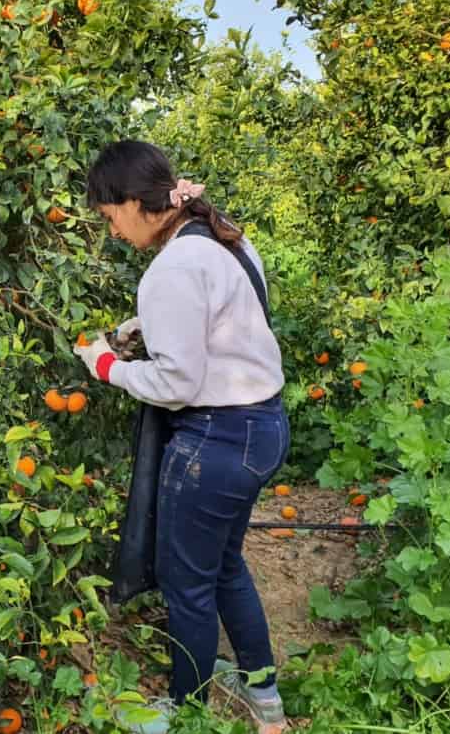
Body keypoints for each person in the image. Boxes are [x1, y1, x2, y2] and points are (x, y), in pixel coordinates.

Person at [73, 140, 289, 734]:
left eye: (108, 216)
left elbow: (175, 381)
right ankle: (263, 695)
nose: (111, 230)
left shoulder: (169, 269)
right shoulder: (221, 236)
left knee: (186, 582)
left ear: (134, 203)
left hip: (214, 440)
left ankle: (184, 712)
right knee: (223, 566)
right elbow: (224, 312)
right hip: (261, 427)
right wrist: (139, 328)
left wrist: (105, 364)